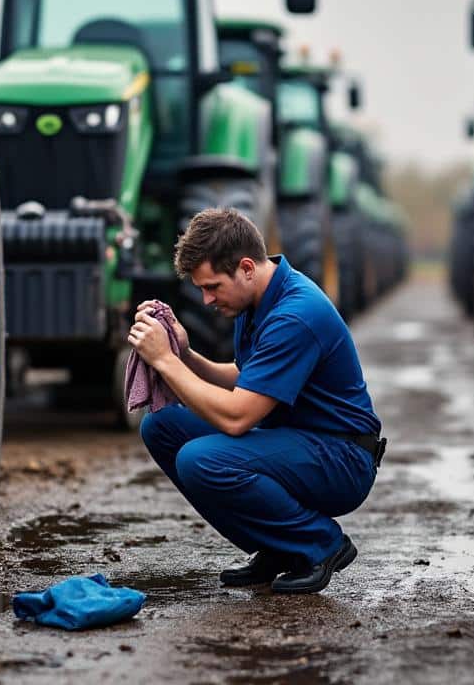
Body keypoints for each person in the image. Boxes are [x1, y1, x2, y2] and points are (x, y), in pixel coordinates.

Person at [128, 208, 383, 594]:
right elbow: (245, 377)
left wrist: (163, 360)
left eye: (212, 286)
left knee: (201, 460)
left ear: (246, 267)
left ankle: (319, 544)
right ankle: (278, 547)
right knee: (161, 425)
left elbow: (237, 417)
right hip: (298, 439)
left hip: (341, 458)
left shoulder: (294, 316)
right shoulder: (257, 299)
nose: (207, 299)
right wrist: (185, 354)